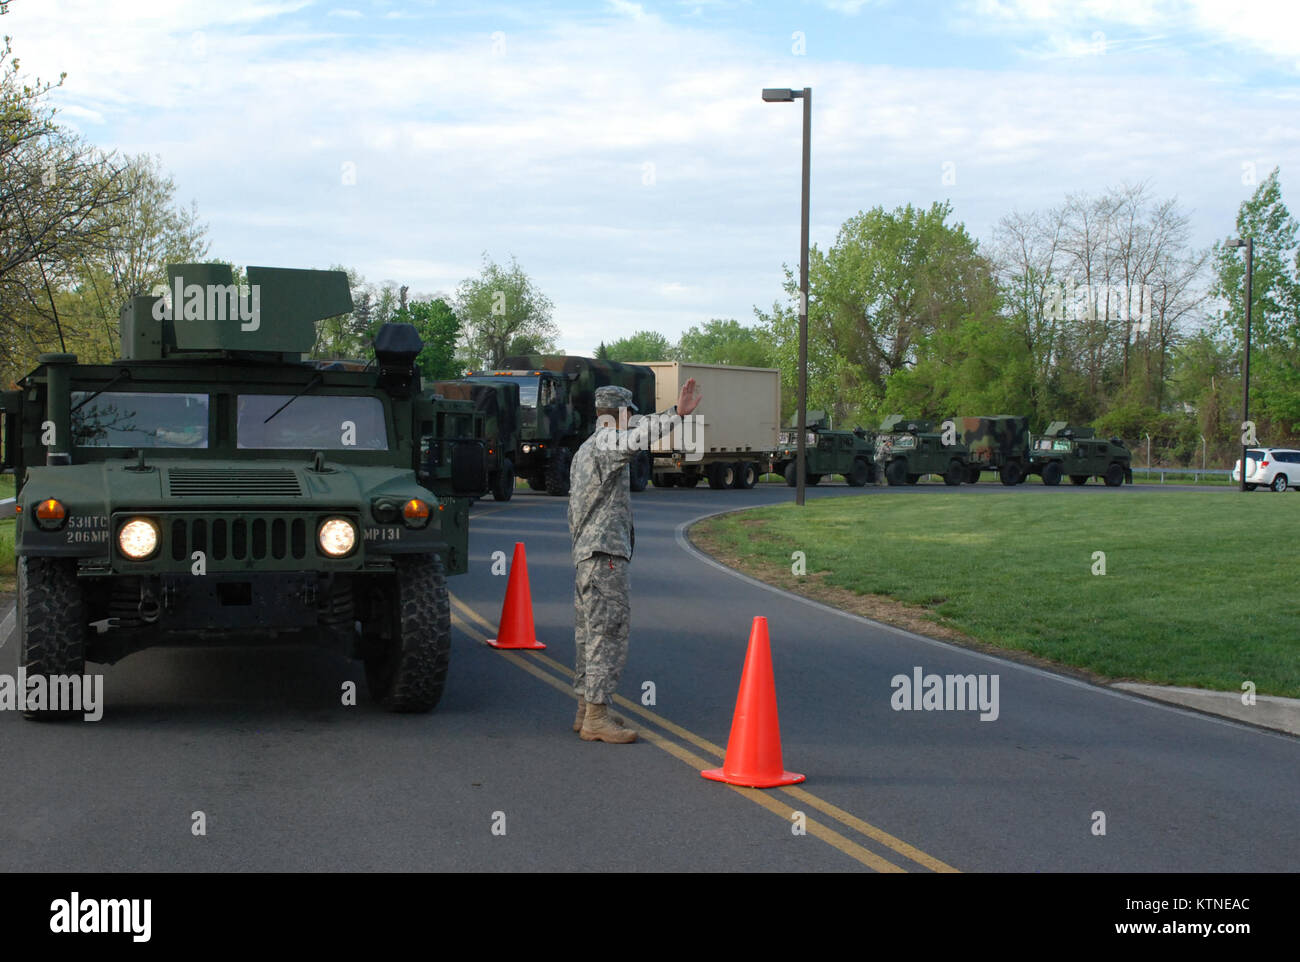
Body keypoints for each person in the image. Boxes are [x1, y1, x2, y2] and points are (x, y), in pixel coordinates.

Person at [568, 379, 701, 743]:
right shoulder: (610, 442)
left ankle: (586, 711)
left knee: (588, 637)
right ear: (622, 414)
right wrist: (677, 415)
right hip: (605, 556)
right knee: (607, 636)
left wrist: (672, 415)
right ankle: (596, 716)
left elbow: (639, 429)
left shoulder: (588, 446)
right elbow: (636, 438)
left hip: (587, 557)